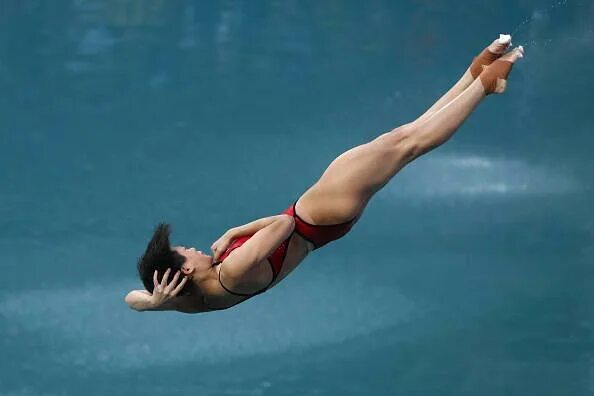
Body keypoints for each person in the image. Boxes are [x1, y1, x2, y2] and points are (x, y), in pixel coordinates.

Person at [125, 34, 524, 313]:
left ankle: (475, 72)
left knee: (402, 139)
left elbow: (131, 300)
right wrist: (237, 232)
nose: (192, 248)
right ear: (187, 270)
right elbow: (283, 225)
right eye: (185, 252)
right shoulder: (233, 269)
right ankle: (485, 86)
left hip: (325, 221)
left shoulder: (197, 301)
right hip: (315, 213)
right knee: (406, 143)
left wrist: (157, 301)